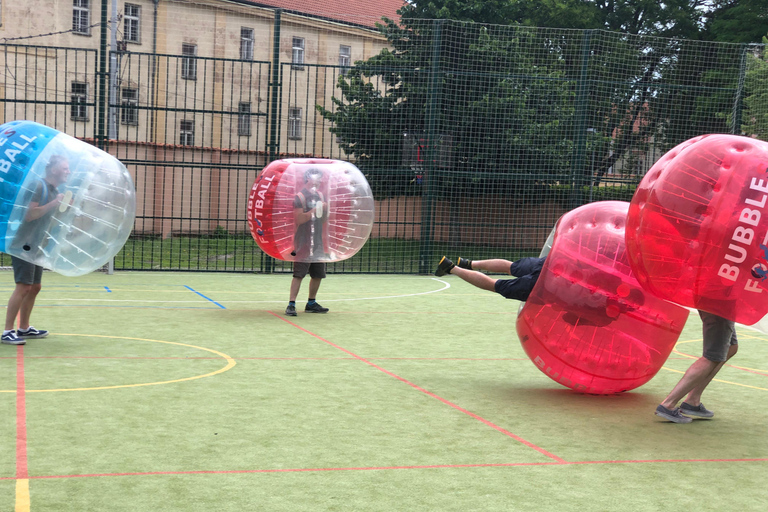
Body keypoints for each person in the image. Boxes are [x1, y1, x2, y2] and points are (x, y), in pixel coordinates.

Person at [2, 155, 70, 345]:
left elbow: (47, 215)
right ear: (54, 169)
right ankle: (7, 331)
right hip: (24, 243)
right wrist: (54, 203)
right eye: (65, 168)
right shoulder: (38, 186)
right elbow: (30, 214)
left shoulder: (54, 189)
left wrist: (63, 207)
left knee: (35, 287)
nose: (68, 171)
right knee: (23, 286)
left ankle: (24, 327)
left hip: (37, 243)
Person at [654, 310, 737, 424]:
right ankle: (668, 404)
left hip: (721, 302)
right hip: (721, 303)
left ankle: (692, 401)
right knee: (712, 357)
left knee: (731, 348)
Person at [285, 167, 330, 317]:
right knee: (299, 274)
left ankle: (311, 303)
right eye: (316, 177)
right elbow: (298, 219)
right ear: (308, 178)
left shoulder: (320, 196)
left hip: (316, 241)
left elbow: (323, 220)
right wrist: (313, 211)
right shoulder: (300, 197)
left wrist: (324, 211)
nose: (319, 181)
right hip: (303, 240)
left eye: (320, 178)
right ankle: (291, 304)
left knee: (318, 274)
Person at [434, 255, 545, 302]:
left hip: (551, 264)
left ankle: (469, 263)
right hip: (547, 284)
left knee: (511, 267)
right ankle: (451, 268)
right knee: (495, 285)